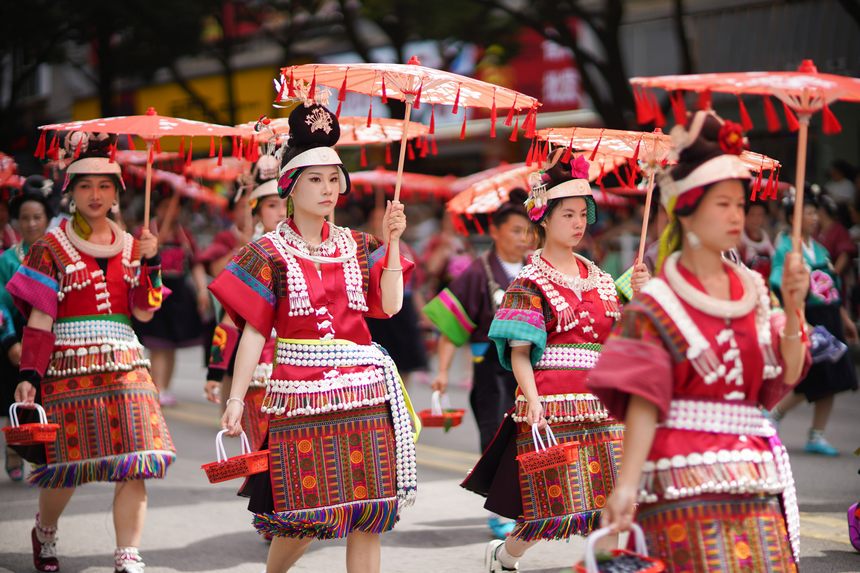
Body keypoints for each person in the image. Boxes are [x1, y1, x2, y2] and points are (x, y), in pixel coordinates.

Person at [589, 111, 810, 572]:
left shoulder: (754, 291)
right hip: (679, 479)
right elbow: (645, 401)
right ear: (686, 208)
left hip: (753, 475)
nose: (737, 215)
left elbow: (786, 374)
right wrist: (626, 485)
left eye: (739, 203)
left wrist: (794, 306)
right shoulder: (658, 304)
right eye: (722, 204)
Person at [209, 102, 418, 573]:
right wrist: (238, 398)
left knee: (370, 512)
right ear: (290, 185)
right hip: (300, 396)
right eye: (315, 179)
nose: (327, 189)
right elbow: (253, 331)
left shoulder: (360, 245)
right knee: (302, 518)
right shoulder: (267, 252)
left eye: (333, 179)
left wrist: (394, 242)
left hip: (365, 394)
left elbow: (392, 305)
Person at [461, 153, 649, 573]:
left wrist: (643, 292)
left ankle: (606, 565)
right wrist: (532, 399)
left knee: (616, 498)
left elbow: (624, 337)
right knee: (548, 507)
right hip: (553, 403)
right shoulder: (530, 281)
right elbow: (519, 352)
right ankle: (505, 555)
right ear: (544, 217)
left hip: (604, 401)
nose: (579, 223)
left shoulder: (602, 278)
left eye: (583, 214)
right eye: (568, 214)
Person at [7, 132, 174, 573]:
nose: (95, 194)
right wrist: (29, 375)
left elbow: (144, 311)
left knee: (137, 461)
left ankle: (127, 554)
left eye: (104, 185)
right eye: (84, 185)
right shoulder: (50, 247)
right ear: (70, 191)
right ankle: (45, 531)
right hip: (68, 367)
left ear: (117, 193)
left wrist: (152, 262)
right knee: (68, 467)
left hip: (126, 363)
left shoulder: (133, 245)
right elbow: (40, 321)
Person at [423, 190, 531, 539]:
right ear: (496, 231)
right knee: (496, 438)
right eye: (515, 230)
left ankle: (529, 505)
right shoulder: (478, 272)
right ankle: (501, 512)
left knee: (531, 437)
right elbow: (453, 327)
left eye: (527, 231)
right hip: (492, 373)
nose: (523, 238)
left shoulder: (536, 269)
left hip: (532, 368)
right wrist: (441, 372)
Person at [204, 155, 287, 453]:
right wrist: (215, 372)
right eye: (270, 205)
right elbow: (228, 321)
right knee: (265, 459)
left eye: (283, 203)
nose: (280, 212)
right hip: (261, 372)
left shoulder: (317, 248)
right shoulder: (250, 256)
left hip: (308, 370)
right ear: (256, 212)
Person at [769, 191, 858, 456]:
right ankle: (772, 414)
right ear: (792, 217)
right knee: (810, 373)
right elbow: (780, 285)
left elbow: (831, 285)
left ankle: (817, 434)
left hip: (829, 314)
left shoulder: (819, 248)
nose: (814, 218)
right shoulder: (786, 247)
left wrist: (844, 317)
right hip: (805, 316)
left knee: (835, 375)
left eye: (814, 213)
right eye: (808, 213)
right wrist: (797, 319)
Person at [0, 177, 57, 481]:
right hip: (11, 338)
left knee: (44, 398)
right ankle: (14, 445)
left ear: (48, 219)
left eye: (37, 217)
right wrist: (10, 342)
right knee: (16, 396)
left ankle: (40, 453)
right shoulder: (6, 260)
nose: (31, 223)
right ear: (16, 221)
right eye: (25, 218)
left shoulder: (56, 256)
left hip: (47, 338)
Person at [133, 192, 210, 406]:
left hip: (178, 293)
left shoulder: (184, 235)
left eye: (174, 206)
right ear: (157, 208)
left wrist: (202, 290)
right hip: (156, 287)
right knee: (158, 344)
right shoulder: (146, 232)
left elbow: (195, 264)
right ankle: (156, 387)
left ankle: (165, 388)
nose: (171, 211)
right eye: (165, 206)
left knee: (172, 345)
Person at [365, 204, 429, 384]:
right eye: (377, 219)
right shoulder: (363, 246)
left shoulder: (405, 249)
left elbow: (415, 285)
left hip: (403, 308)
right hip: (376, 310)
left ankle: (403, 395)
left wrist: (422, 312)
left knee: (405, 360)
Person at [739, 201, 775, 279]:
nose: (756, 219)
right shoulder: (739, 238)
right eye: (752, 215)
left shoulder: (766, 237)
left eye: (760, 215)